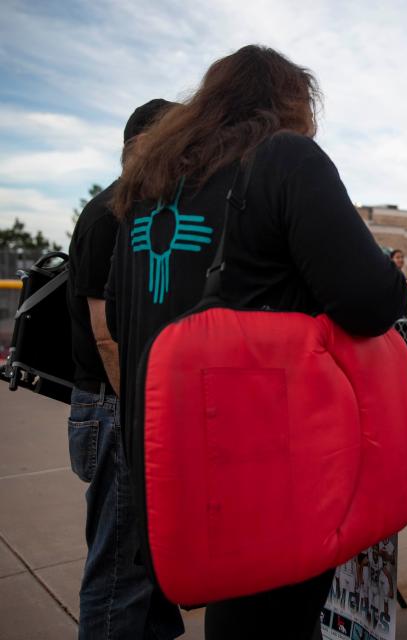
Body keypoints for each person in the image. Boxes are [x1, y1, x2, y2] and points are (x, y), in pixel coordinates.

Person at [106, 45, 407, 640]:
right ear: (293, 105)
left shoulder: (149, 185)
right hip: (264, 462)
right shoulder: (284, 159)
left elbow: (119, 315)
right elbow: (372, 300)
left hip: (167, 456)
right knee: (271, 619)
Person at [66, 99, 183, 640]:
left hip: (122, 407)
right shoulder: (110, 213)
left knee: (140, 559)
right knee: (119, 570)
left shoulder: (138, 210)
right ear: (141, 145)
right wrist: (144, 418)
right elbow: (106, 335)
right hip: (116, 409)